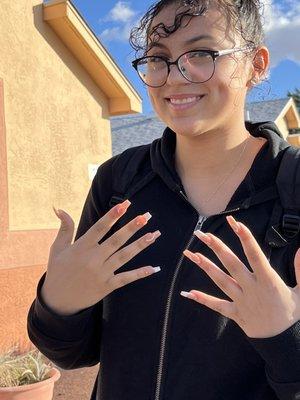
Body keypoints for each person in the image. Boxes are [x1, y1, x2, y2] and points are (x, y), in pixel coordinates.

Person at [27, 0, 300, 399]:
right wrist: (57, 304)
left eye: (200, 53)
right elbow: (74, 353)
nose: (174, 77)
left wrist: (284, 337)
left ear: (256, 65)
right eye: (159, 59)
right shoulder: (119, 182)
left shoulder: (292, 188)